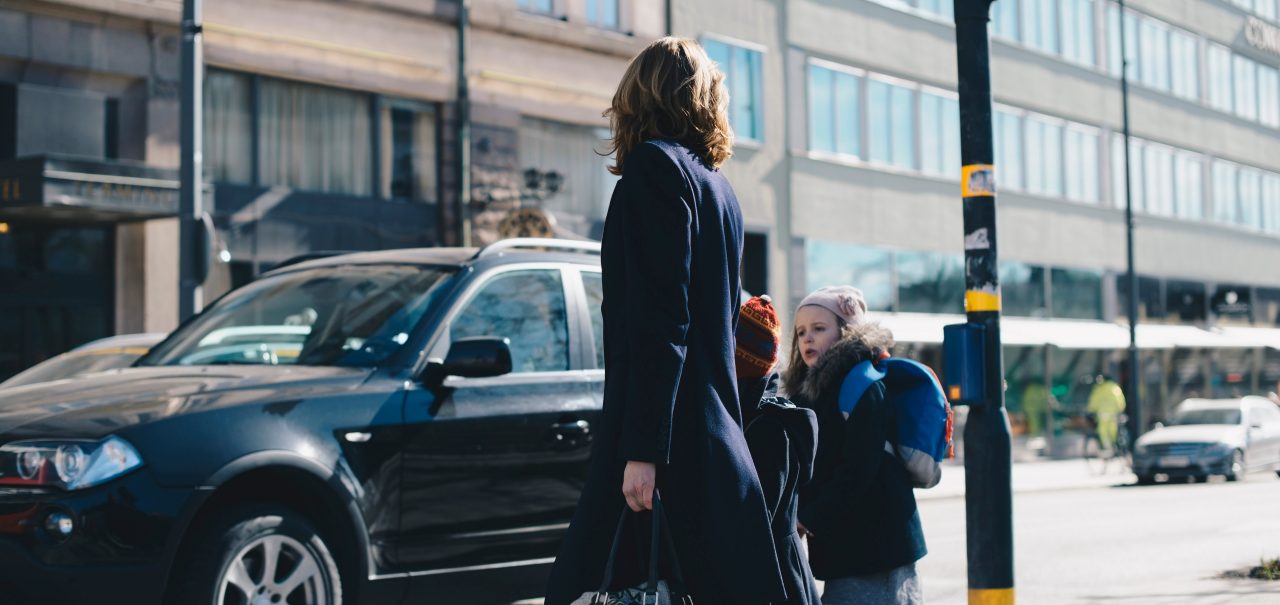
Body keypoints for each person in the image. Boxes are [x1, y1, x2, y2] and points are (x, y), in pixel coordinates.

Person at [545, 37, 786, 605]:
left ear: (638, 95)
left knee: (586, 587)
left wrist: (643, 451)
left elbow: (662, 325)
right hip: (710, 437)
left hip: (667, 438)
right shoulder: (718, 189)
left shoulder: (654, 171)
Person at [783, 286, 927, 605]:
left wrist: (809, 518)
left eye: (819, 329)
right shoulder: (807, 394)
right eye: (801, 332)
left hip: (878, 546)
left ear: (847, 332)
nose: (807, 338)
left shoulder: (863, 384)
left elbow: (859, 467)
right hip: (845, 545)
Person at [736, 295, 821, 605]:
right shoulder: (765, 419)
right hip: (784, 572)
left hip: (776, 579)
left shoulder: (767, 429)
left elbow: (759, 524)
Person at [1087, 374, 1126, 451]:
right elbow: (1120, 400)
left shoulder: (1099, 388)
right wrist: (1120, 409)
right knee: (1113, 428)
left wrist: (1091, 410)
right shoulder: (1115, 388)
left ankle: (1106, 446)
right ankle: (1113, 444)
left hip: (1102, 412)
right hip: (1113, 412)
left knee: (1102, 429)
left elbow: (1094, 401)